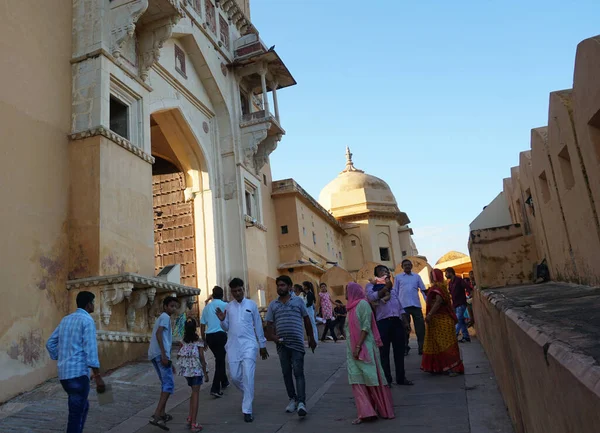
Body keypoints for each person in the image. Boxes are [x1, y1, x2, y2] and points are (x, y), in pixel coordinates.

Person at [46, 291, 105, 433]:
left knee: (82, 407)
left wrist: (61, 357)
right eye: (93, 302)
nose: (94, 305)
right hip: (78, 375)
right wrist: (98, 378)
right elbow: (91, 350)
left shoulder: (66, 319)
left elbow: (50, 343)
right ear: (88, 304)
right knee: (75, 415)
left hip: (65, 376)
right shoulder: (87, 321)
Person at [215, 278, 268, 423]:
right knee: (235, 377)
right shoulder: (228, 307)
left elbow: (258, 325)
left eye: (239, 290)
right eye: (234, 291)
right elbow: (226, 327)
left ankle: (247, 410)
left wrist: (262, 345)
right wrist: (221, 320)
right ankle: (248, 393)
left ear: (243, 289)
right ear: (231, 292)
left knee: (248, 376)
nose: (237, 293)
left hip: (249, 345)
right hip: (233, 346)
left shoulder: (251, 305)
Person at [265, 276, 317, 417]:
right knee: (286, 373)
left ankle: (301, 403)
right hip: (282, 345)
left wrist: (311, 338)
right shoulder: (273, 305)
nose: (280, 288)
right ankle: (292, 399)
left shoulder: (298, 301)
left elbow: (307, 320)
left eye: (282, 285)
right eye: (278, 285)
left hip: (297, 344)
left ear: (290, 287)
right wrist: (273, 337)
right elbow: (268, 324)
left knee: (298, 373)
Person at [345, 282, 395, 425]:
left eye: (347, 291)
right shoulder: (350, 308)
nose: (345, 294)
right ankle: (365, 413)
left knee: (371, 378)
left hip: (365, 348)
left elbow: (366, 327)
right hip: (352, 349)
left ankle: (380, 408)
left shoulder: (363, 304)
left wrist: (358, 346)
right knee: (357, 380)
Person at [366, 265, 413, 386]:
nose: (386, 273)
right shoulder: (371, 286)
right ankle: (387, 379)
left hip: (396, 321)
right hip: (383, 322)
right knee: (384, 352)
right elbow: (372, 297)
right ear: (377, 274)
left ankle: (401, 378)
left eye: (387, 271)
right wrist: (385, 287)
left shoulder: (393, 289)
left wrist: (406, 322)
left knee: (399, 350)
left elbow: (399, 305)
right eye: (382, 271)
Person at [421, 269, 465, 376]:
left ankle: (454, 368)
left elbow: (438, 301)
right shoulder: (442, 287)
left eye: (432, 275)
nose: (431, 277)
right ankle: (440, 367)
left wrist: (430, 314)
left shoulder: (438, 288)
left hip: (442, 321)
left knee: (446, 345)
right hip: (438, 321)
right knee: (439, 344)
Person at [148, 296, 179, 430]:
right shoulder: (165, 317)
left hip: (155, 354)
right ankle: (156, 416)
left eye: (174, 306)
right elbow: (159, 334)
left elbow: (163, 337)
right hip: (159, 354)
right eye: (171, 306)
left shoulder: (162, 317)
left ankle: (162, 413)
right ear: (165, 306)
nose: (173, 308)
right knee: (168, 385)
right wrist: (164, 355)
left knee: (165, 384)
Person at [177, 318, 208, 432]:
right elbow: (202, 358)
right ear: (195, 328)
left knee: (193, 393)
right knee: (196, 394)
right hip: (196, 371)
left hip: (187, 372)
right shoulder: (198, 341)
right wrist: (206, 373)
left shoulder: (183, 341)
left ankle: (190, 418)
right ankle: (194, 423)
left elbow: (178, 356)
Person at [200, 286, 230, 398]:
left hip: (210, 336)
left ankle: (225, 381)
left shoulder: (207, 307)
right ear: (222, 295)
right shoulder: (226, 306)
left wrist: (203, 339)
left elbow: (202, 324)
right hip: (221, 335)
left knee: (219, 358)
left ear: (212, 295)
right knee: (220, 361)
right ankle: (215, 388)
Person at [395, 259, 427, 355]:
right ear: (402, 267)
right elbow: (395, 292)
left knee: (420, 328)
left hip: (416, 305)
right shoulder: (398, 277)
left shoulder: (417, 277)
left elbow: (423, 290)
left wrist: (428, 301)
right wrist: (397, 306)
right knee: (405, 328)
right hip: (403, 306)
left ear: (412, 266)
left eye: (409, 265)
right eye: (405, 265)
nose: (407, 266)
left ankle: (421, 347)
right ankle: (405, 347)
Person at [445, 267, 471, 342]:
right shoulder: (450, 283)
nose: (446, 275)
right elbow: (451, 294)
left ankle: (454, 336)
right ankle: (466, 336)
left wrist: (470, 295)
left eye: (446, 273)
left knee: (458, 320)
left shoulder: (459, 280)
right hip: (455, 304)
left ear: (451, 273)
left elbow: (467, 287)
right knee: (461, 321)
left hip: (461, 303)